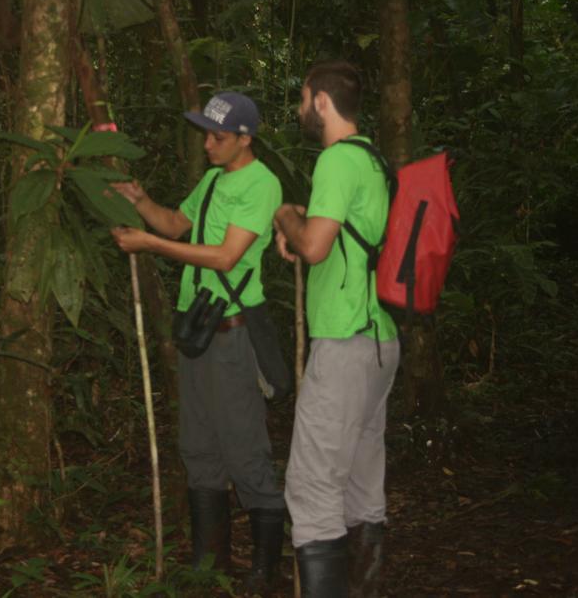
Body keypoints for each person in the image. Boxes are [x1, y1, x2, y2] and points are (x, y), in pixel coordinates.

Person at [111, 92, 287, 590]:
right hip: (197, 333)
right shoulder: (213, 178)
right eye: (206, 133)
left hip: (232, 334)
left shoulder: (262, 184)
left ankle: (262, 571)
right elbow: (176, 224)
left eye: (218, 136)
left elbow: (226, 257)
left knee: (245, 448)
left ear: (245, 139)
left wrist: (149, 246)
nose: (207, 144)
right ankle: (210, 564)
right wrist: (140, 202)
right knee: (199, 446)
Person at [273, 61, 400, 598]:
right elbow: (344, 231)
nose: (301, 110)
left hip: (345, 340)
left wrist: (284, 215)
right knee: (362, 487)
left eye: (304, 100)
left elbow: (313, 246)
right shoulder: (373, 159)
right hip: (379, 341)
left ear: (322, 102)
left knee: (313, 487)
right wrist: (305, 215)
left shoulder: (336, 160)